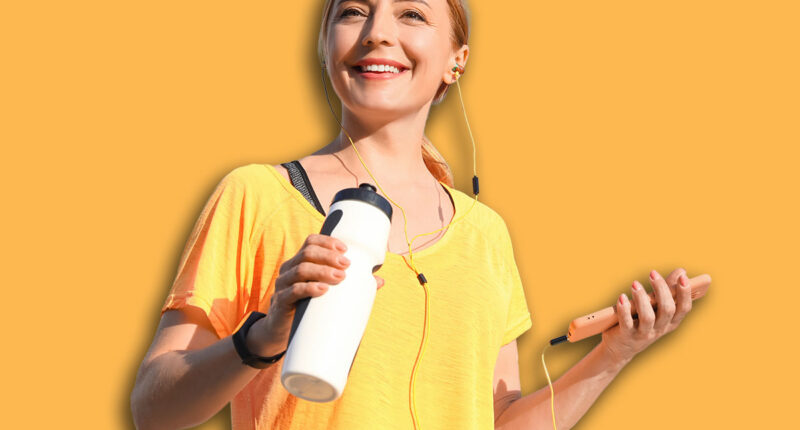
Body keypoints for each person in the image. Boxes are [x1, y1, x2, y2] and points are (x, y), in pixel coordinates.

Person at [130, 0, 695, 429]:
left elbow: (499, 419)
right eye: (353, 11)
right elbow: (154, 407)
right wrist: (264, 335)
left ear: (457, 60)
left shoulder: (486, 235)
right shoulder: (255, 195)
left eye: (411, 14)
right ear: (326, 44)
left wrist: (616, 352)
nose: (378, 31)